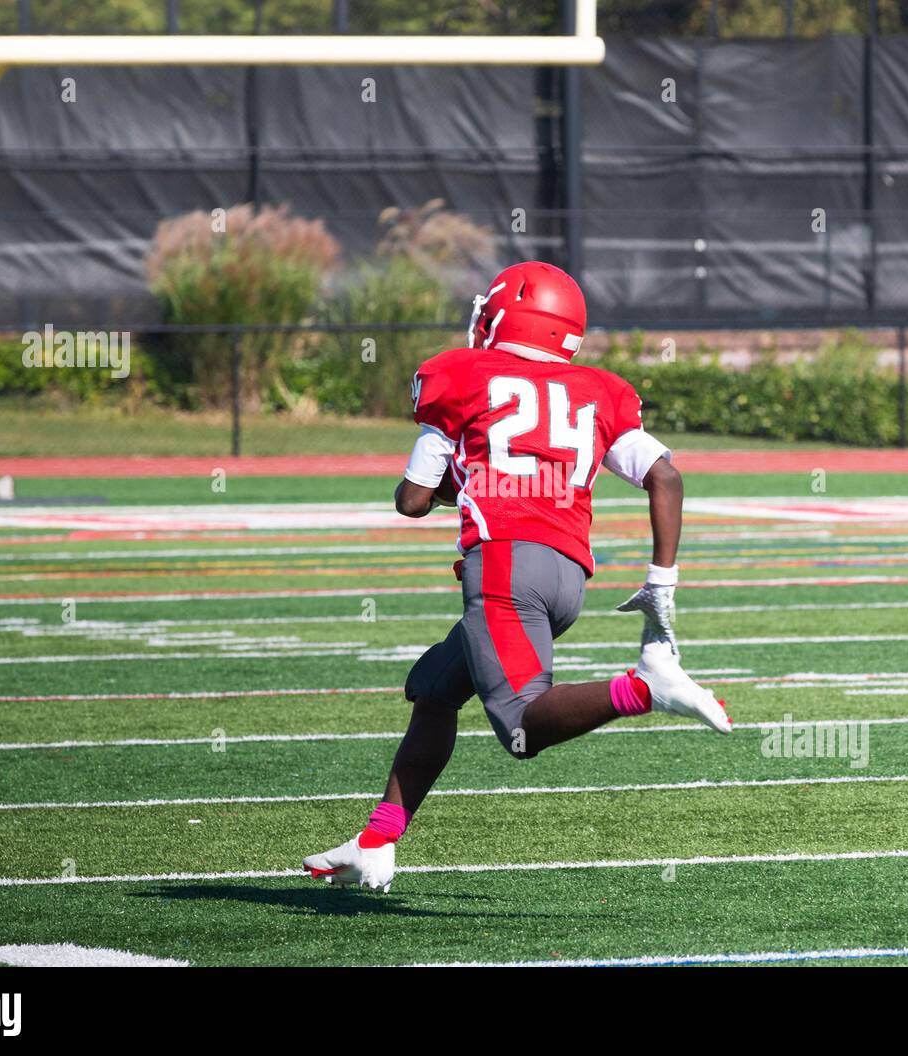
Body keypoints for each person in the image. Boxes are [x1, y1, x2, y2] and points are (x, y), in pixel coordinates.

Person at [303, 261, 730, 892]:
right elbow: (665, 475)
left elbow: (412, 500)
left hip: (503, 564)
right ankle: (377, 840)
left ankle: (644, 689)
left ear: (507, 314)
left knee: (523, 729)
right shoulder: (596, 391)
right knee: (434, 686)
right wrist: (660, 585)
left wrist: (454, 478)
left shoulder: (458, 376)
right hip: (566, 576)